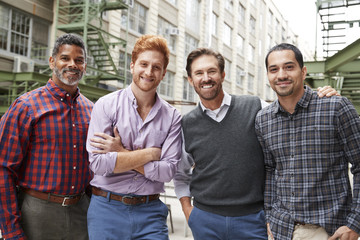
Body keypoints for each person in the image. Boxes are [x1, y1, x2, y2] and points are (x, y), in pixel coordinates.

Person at [173, 47, 339, 240]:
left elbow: (290, 113)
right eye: (199, 73)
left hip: (253, 219)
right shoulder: (187, 123)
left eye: (211, 71)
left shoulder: (255, 106)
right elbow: (180, 173)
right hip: (205, 220)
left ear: (223, 74)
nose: (206, 78)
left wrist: (321, 98)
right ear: (190, 80)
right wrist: (188, 211)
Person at [255, 43, 360, 240]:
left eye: (289, 67)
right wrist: (269, 215)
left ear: (303, 72)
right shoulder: (263, 119)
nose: (281, 75)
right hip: (282, 229)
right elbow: (270, 170)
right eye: (274, 69)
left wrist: (356, 223)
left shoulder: (336, 107)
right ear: (268, 76)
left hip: (328, 230)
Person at [86, 34, 182, 240]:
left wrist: (121, 154)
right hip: (106, 211)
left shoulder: (172, 117)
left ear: (164, 73)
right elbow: (98, 163)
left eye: (156, 67)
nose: (149, 72)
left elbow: (167, 172)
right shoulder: (106, 105)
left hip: (150, 213)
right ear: (132, 66)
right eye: (144, 64)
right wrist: (151, 153)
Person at [0, 33, 93, 240]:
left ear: (84, 66)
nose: (73, 65)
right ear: (52, 61)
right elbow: (4, 169)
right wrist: (11, 230)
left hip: (81, 212)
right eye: (65, 58)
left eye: (79, 60)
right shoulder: (26, 107)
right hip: (37, 212)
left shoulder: (91, 111)